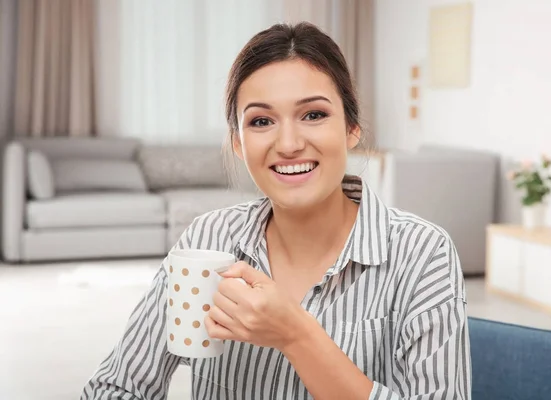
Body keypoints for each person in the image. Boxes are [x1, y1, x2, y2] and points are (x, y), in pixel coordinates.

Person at [81, 22, 471, 400]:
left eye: (313, 115)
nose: (288, 144)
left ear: (352, 127)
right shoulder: (209, 239)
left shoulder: (422, 254)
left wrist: (296, 335)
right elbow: (117, 387)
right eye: (261, 121)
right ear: (238, 141)